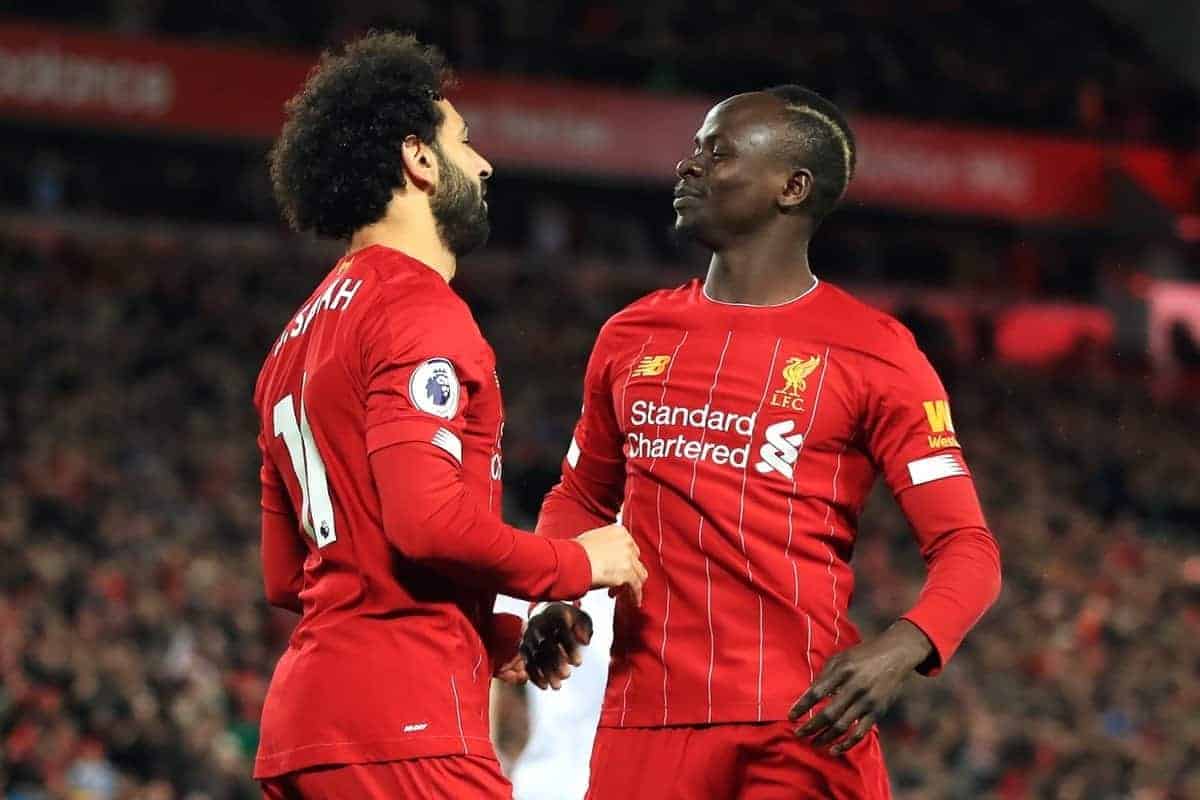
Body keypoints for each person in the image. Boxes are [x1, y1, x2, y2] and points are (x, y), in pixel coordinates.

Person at [520, 87, 1002, 798]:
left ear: (792, 186)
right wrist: (555, 590)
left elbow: (968, 545)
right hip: (644, 723)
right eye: (693, 150)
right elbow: (583, 494)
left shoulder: (877, 353)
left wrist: (902, 648)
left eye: (717, 153)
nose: (688, 167)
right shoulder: (631, 336)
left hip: (801, 724)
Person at [252, 33, 646, 799]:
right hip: (405, 733)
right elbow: (425, 523)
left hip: (306, 734)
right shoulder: (417, 310)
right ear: (419, 160)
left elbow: (287, 575)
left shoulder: (291, 343)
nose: (484, 163)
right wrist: (577, 564)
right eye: (464, 142)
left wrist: (489, 637)